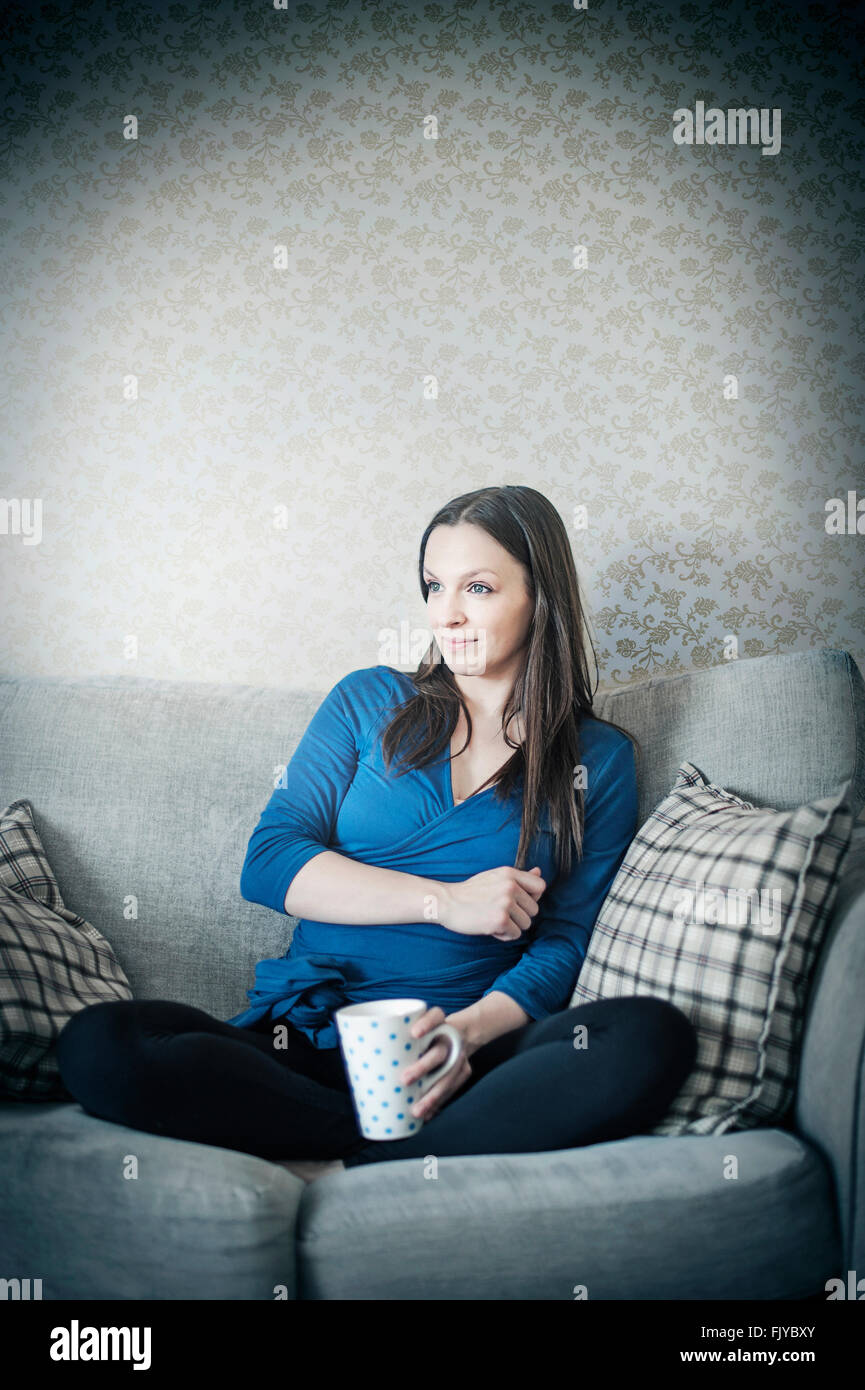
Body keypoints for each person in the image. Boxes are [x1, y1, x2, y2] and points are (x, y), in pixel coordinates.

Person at [57, 485, 697, 1182]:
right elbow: (270, 863)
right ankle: (379, 1148)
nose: (445, 615)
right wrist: (442, 901)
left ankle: (357, 1151)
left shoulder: (596, 758)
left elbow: (568, 938)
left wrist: (464, 1034)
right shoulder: (367, 701)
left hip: (467, 1055)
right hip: (310, 1043)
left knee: (647, 1036)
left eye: (477, 587)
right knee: (103, 1041)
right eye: (433, 586)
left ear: (539, 596)